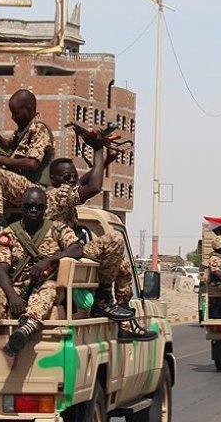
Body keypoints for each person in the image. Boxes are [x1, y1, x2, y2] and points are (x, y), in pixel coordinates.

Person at [45, 134, 156, 342]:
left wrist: (105, 159)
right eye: (67, 177)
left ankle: (125, 323)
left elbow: (84, 180)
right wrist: (97, 149)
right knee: (114, 240)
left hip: (70, 254)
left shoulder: (63, 191)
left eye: (73, 177)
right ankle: (103, 300)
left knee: (123, 266)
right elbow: (94, 186)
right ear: (53, 180)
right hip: (61, 256)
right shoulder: (57, 195)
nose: (72, 181)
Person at [0, 188, 83, 357]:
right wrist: (13, 297)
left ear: (45, 208)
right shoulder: (8, 234)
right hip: (15, 286)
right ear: (22, 207)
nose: (33, 210)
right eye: (29, 206)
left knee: (50, 288)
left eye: (38, 207)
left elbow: (77, 249)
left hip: (44, 285)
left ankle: (26, 329)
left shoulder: (57, 230)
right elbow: (1, 269)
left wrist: (49, 261)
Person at [0, 89, 54, 221]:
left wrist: (5, 161)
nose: (13, 117)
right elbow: (8, 146)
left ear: (29, 109)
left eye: (16, 113)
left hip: (36, 189)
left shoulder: (39, 128)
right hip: (21, 185)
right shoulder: (23, 130)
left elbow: (32, 163)